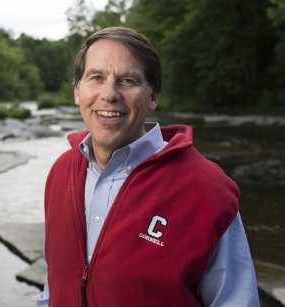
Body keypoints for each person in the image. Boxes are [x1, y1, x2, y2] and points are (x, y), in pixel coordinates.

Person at [36, 27, 259, 306]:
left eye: (127, 80)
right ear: (78, 92)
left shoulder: (206, 189)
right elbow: (53, 280)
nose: (109, 94)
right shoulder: (61, 171)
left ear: (153, 96)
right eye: (96, 77)